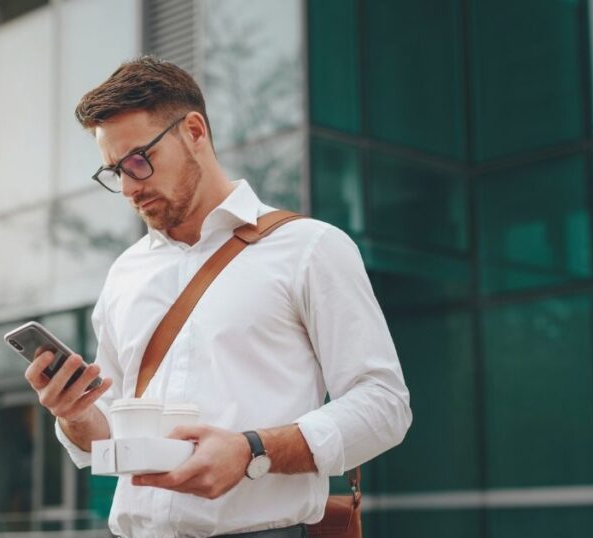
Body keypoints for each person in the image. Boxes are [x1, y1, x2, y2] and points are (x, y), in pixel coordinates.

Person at [22, 56, 412, 538]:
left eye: (139, 160)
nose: (128, 187)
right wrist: (76, 414)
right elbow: (111, 435)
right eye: (113, 172)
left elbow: (385, 406)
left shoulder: (310, 248)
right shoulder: (125, 273)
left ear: (193, 131)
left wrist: (252, 452)